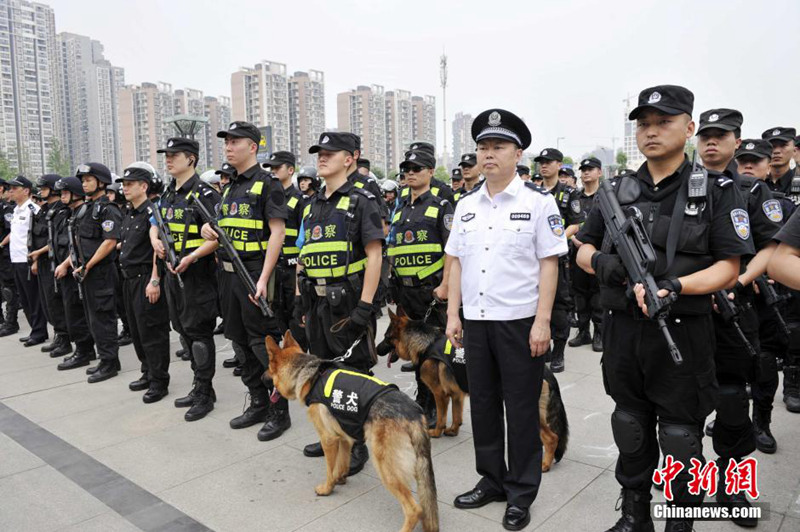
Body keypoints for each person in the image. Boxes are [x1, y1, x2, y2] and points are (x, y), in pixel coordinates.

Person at [575, 85, 752, 532]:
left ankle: (680, 520)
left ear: (689, 128)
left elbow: (729, 269)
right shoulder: (616, 189)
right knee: (629, 426)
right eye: (643, 124)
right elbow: (581, 248)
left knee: (680, 436)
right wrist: (610, 267)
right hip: (623, 331)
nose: (651, 132)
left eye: (663, 122)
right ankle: (634, 515)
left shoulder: (717, 189)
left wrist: (676, 286)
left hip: (684, 331)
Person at [445, 108, 564, 531]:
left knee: (519, 408)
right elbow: (456, 261)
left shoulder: (537, 203)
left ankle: (521, 490)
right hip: (475, 322)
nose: (488, 154)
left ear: (517, 154)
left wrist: (543, 322)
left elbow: (549, 264)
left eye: (498, 147)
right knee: (485, 406)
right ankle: (491, 479)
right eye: (482, 147)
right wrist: (452, 313)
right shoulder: (466, 206)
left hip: (519, 321)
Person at [696, 110, 774, 526]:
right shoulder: (675, 186)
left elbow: (769, 247)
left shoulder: (749, 189)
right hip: (685, 310)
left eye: (720, 136)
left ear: (736, 140)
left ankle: (731, 485)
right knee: (678, 403)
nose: (711, 143)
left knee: (730, 400)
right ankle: (683, 476)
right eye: (705, 135)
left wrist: (737, 280)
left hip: (732, 310)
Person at [295, 131, 384, 476]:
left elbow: (375, 255)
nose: (322, 157)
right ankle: (332, 434)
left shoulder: (362, 200)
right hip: (316, 302)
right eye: (319, 152)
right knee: (321, 371)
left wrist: (365, 306)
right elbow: (303, 254)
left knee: (354, 372)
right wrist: (301, 299)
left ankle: (357, 440)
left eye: (330, 153)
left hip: (347, 302)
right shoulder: (312, 204)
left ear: (350, 158)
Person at [202, 122, 289, 441]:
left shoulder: (267, 183)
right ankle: (257, 402)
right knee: (237, 340)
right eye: (226, 141)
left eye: (235, 141)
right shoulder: (229, 186)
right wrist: (205, 231)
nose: (228, 146)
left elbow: (277, 232)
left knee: (261, 344)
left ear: (253, 147)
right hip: (226, 275)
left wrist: (264, 278)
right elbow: (221, 226)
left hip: (254, 272)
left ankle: (279, 411)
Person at [151, 138, 220, 421]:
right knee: (181, 329)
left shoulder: (205, 194)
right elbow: (155, 223)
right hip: (171, 273)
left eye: (174, 155)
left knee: (199, 332)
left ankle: (205, 392)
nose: (168, 160)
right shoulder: (169, 193)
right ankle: (197, 384)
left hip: (197, 275)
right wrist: (155, 240)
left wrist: (191, 257)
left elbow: (217, 237)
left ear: (191, 159)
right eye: (166, 155)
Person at [389, 147, 454, 422]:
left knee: (433, 352)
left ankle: (434, 402)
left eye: (417, 169)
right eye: (407, 169)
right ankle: (423, 397)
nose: (411, 174)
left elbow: (452, 248)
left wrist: (446, 286)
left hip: (431, 291)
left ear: (430, 171)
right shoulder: (401, 206)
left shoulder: (440, 205)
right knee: (415, 351)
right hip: (406, 291)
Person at [118, 163, 171, 403]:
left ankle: (159, 380)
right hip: (128, 279)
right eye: (123, 184)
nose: (124, 188)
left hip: (145, 279)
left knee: (152, 331)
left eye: (129, 184)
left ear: (143, 186)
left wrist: (155, 280)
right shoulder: (130, 212)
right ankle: (147, 372)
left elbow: (156, 250)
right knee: (137, 331)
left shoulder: (153, 212)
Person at [70, 163, 123, 382]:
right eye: (82, 180)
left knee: (103, 318)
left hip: (100, 272)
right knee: (93, 318)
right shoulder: (87, 209)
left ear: (101, 182)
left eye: (88, 179)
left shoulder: (107, 209)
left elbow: (110, 241)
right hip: (87, 272)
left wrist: (89, 264)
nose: (84, 184)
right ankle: (104, 358)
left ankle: (110, 363)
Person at [534, 148, 582, 372]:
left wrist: (556, 239)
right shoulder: (532, 192)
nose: (544, 166)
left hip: (558, 258)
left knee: (559, 306)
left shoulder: (569, 193)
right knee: (535, 303)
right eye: (541, 162)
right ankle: (542, 349)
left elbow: (576, 223)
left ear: (559, 165)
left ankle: (558, 352)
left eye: (549, 162)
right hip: (534, 260)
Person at [53, 176, 97, 370]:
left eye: (65, 192)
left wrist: (65, 264)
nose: (62, 196)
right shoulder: (70, 214)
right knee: (71, 311)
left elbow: (80, 246)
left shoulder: (84, 213)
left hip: (77, 270)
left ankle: (84, 350)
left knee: (77, 313)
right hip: (69, 269)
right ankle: (81, 348)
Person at [1, 176, 48, 346]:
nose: (11, 191)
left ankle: (39, 332)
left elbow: (40, 237)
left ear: (26, 191)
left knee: (33, 297)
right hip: (15, 259)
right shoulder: (16, 210)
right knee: (25, 299)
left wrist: (35, 260)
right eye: (10, 188)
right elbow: (14, 235)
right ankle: (34, 330)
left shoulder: (33, 210)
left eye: (14, 188)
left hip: (27, 260)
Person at [29, 174, 72, 358]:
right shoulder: (44, 210)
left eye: (44, 188)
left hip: (57, 260)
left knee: (57, 302)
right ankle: (59, 335)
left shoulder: (62, 210)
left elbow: (55, 240)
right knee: (49, 303)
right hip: (45, 261)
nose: (41, 191)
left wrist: (39, 254)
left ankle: (64, 338)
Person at [264, 151, 305, 341]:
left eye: (277, 168)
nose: (273, 171)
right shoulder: (270, 197)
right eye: (270, 168)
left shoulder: (300, 199)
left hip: (293, 268)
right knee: (277, 314)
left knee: (296, 319)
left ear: (290, 170)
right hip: (275, 266)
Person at [568, 157, 603, 352]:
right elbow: (569, 221)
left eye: (590, 169)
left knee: (598, 294)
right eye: (583, 169)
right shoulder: (576, 197)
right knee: (579, 294)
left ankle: (599, 331)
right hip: (576, 252)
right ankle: (583, 331)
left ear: (600, 172)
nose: (586, 173)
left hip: (597, 254)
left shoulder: (606, 197)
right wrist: (573, 237)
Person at [0, 179, 21, 336]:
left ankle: (11, 322)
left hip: (4, 254)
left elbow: (11, 231)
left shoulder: (6, 209)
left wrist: (0, 244)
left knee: (9, 289)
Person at [762, 127, 797, 197]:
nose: (776, 151)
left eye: (783, 145)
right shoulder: (757, 184)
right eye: (772, 146)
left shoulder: (797, 183)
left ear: (794, 151)